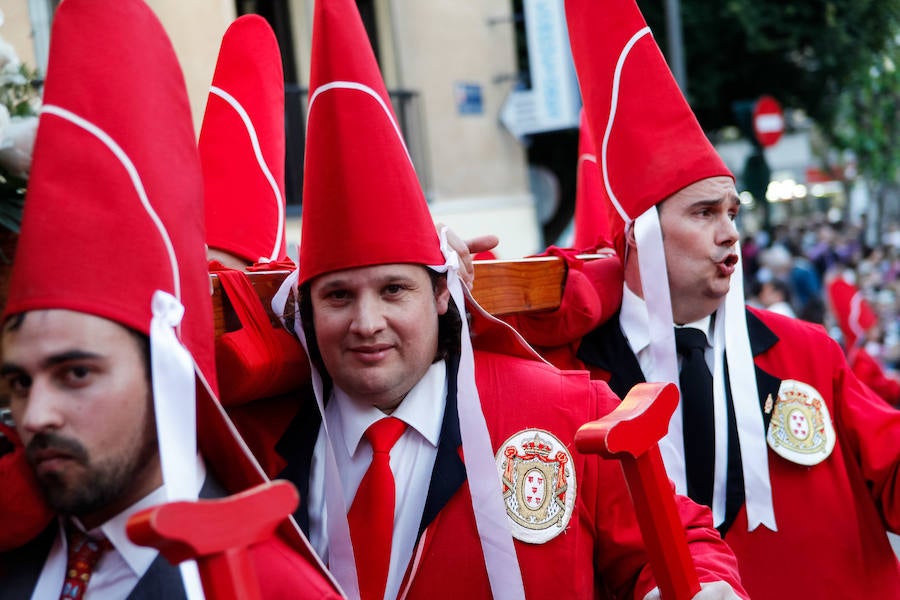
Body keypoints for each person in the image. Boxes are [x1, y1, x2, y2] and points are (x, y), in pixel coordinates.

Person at [246, 1, 749, 599]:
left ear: (441, 292)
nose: (366, 322)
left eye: (393, 289)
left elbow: (681, 541)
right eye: (336, 296)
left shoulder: (567, 409)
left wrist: (699, 590)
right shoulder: (257, 450)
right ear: (302, 308)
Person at [526, 0, 900, 597]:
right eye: (704, 213)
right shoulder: (566, 379)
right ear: (639, 234)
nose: (730, 232)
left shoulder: (807, 352)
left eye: (732, 211)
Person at [0, 2, 340, 598]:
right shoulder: (16, 558)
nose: (34, 416)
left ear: (167, 370)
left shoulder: (267, 586)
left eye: (76, 372)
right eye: (18, 383)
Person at [827, 273, 900, 405]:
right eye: (873, 327)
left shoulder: (865, 352)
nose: (876, 329)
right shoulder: (862, 357)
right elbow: (863, 389)